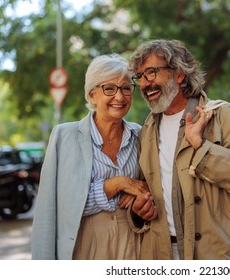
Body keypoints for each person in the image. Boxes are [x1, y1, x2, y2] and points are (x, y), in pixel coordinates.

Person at [128, 39, 230, 260]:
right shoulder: (147, 129)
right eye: (139, 77)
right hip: (162, 254)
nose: (144, 84)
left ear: (179, 74)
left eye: (151, 73)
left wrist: (201, 146)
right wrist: (138, 211)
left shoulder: (223, 116)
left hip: (216, 255)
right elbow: (146, 191)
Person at [31, 54, 156, 260]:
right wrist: (117, 184)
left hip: (133, 245)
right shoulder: (64, 136)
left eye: (126, 88)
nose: (120, 97)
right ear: (92, 95)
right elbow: (54, 207)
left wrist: (143, 196)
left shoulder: (140, 135)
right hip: (83, 245)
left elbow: (150, 186)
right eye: (109, 88)